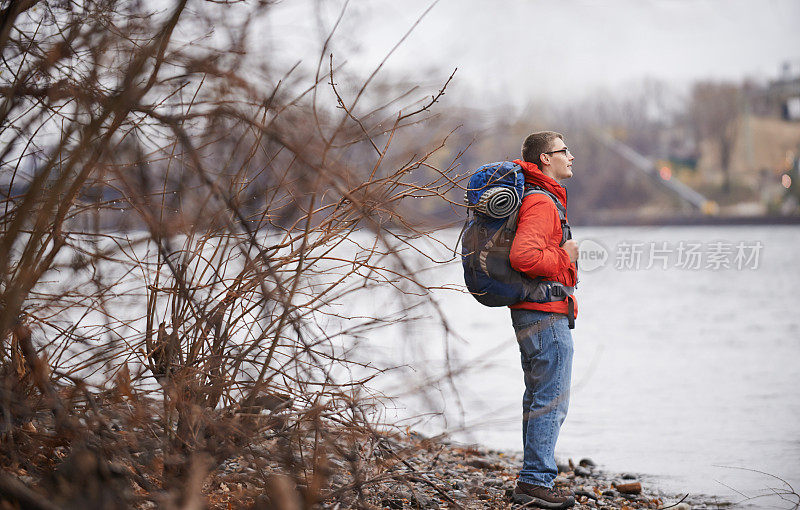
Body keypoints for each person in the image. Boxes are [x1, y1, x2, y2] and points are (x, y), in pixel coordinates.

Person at [508, 131, 579, 509]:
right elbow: (524, 258)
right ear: (545, 159)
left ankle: (530, 480)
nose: (571, 156)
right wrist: (566, 257)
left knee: (538, 397)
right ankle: (536, 481)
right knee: (551, 400)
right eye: (563, 150)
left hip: (535, 313)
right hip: (544, 317)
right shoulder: (541, 202)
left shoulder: (540, 199)